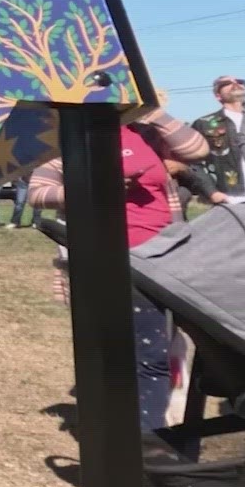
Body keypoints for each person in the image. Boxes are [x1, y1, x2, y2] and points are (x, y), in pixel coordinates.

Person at [28, 108, 209, 433]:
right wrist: (96, 184)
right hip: (102, 258)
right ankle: (118, 426)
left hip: (163, 257)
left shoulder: (149, 134)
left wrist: (154, 113)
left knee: (159, 346)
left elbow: (198, 149)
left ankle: (152, 427)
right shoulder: (69, 138)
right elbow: (38, 193)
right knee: (111, 343)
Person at [194, 75, 245, 202]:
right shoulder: (204, 124)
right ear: (218, 95)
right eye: (226, 83)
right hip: (229, 201)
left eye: (240, 81)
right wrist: (212, 193)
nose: (235, 83)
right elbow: (193, 164)